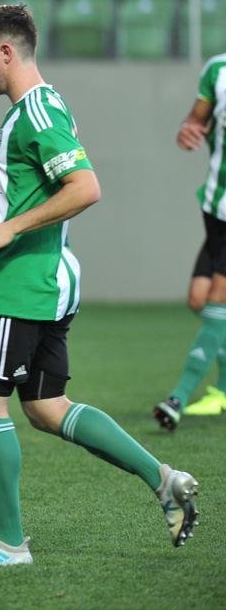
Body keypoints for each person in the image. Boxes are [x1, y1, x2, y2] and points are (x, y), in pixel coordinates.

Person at [0, 4, 199, 567]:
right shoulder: (41, 106)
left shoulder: (34, 113)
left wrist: (8, 226)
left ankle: (9, 545)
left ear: (6, 52)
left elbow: (84, 187)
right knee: (47, 406)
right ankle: (165, 480)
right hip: (48, 280)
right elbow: (51, 189)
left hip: (19, 286)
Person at [154, 53, 226, 426]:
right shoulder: (217, 70)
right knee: (200, 299)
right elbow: (196, 122)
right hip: (216, 208)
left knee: (218, 300)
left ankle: (178, 399)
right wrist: (188, 131)